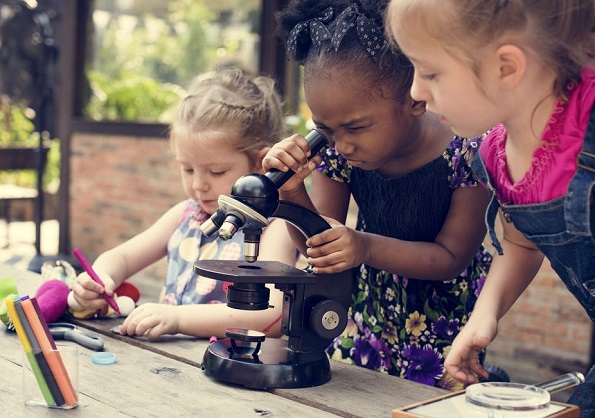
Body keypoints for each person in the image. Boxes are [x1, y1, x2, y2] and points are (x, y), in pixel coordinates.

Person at [263, 0, 492, 390]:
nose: (342, 144)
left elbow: (451, 258)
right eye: (326, 128)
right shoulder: (337, 150)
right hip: (363, 315)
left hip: (441, 328)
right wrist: (292, 194)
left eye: (356, 127)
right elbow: (319, 248)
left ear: (415, 99)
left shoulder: (467, 153)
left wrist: (364, 247)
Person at [387, 0, 595, 413]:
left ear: (506, 67)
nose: (415, 91)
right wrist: (485, 315)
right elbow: (522, 243)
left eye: (429, 72)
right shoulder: (493, 156)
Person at [71, 68, 297, 339]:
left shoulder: (275, 227)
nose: (199, 184)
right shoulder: (185, 214)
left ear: (261, 165)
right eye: (188, 169)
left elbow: (269, 315)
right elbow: (121, 256)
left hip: (234, 369)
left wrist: (178, 318)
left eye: (216, 172)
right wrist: (99, 279)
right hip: (172, 364)